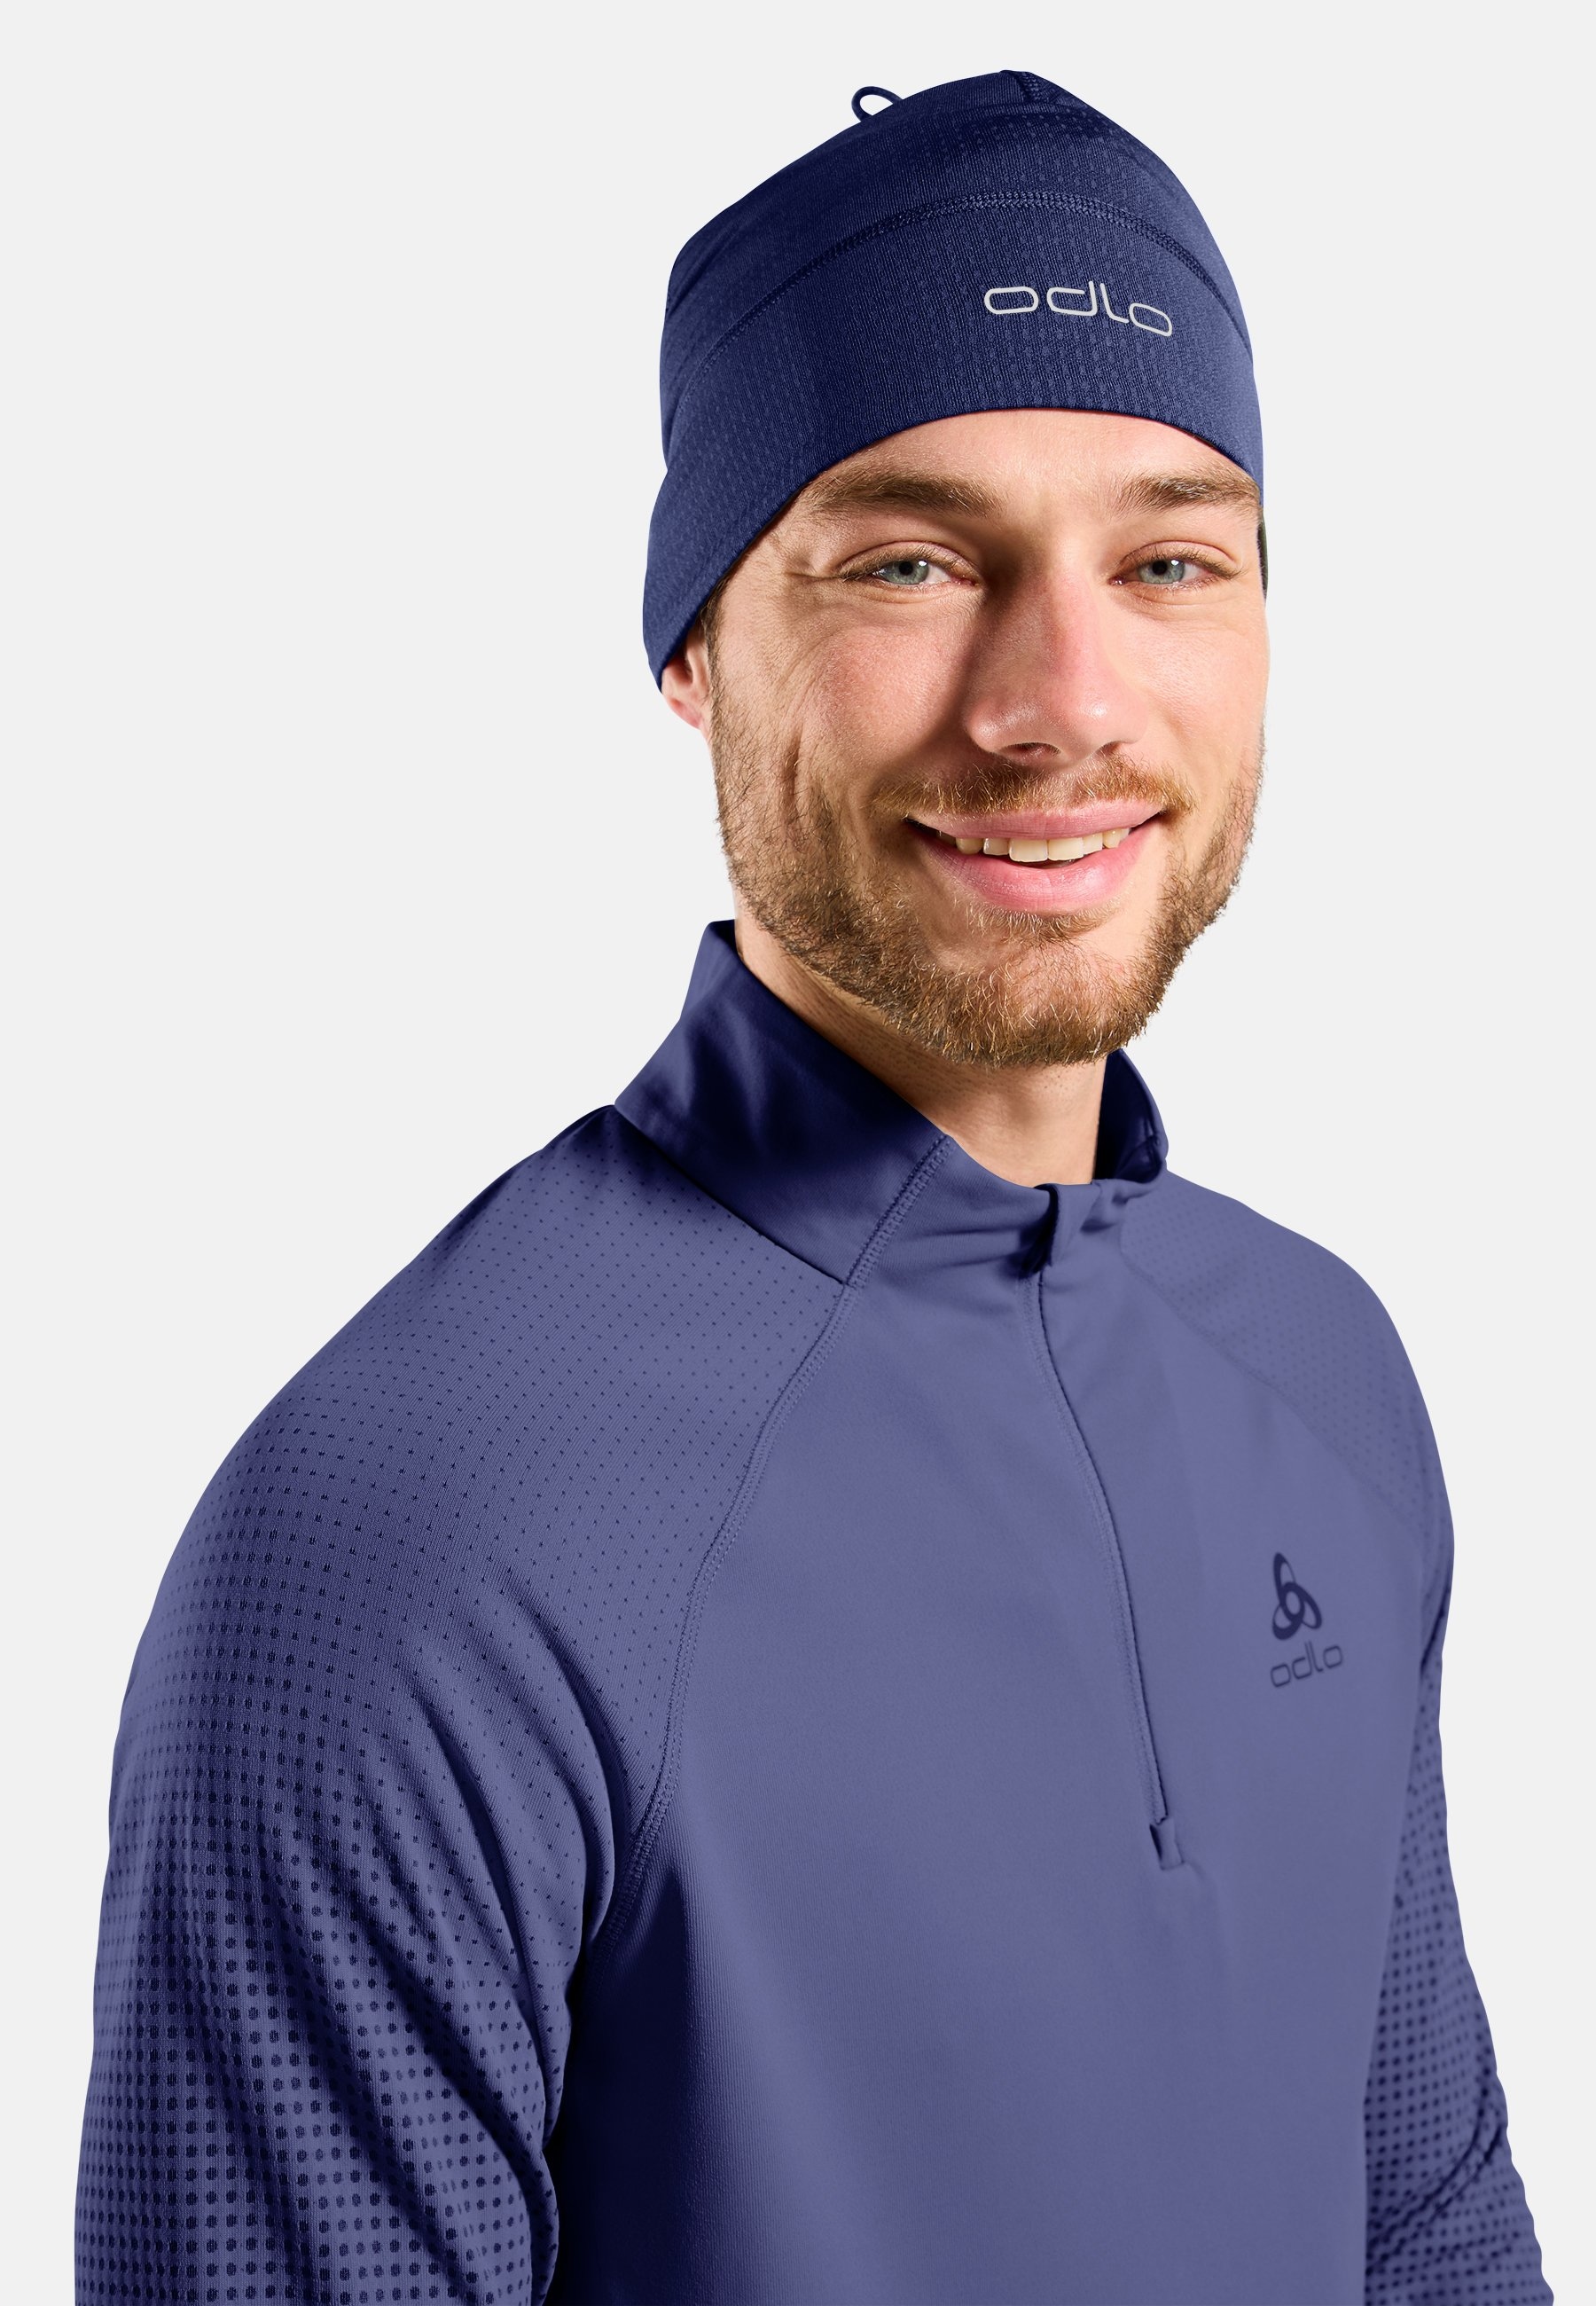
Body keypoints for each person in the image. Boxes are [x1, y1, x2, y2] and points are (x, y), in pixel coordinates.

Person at [74, 68, 1548, 2306]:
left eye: (1169, 558)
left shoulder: (1325, 1376)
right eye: (911, 562)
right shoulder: (405, 1542)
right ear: (694, 644)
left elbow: (1427, 2222)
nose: (1061, 702)